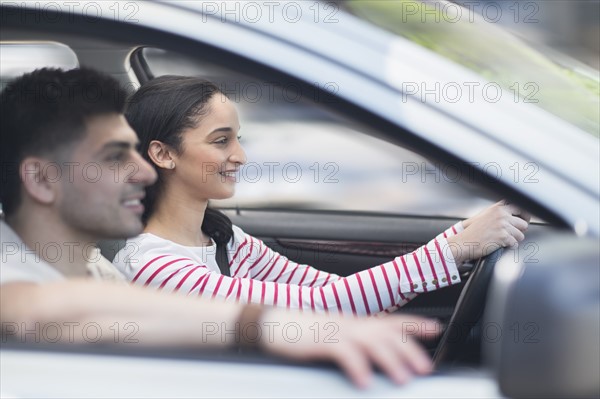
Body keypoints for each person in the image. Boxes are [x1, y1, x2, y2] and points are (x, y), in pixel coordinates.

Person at [0, 67, 456, 388]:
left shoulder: (98, 267)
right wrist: (269, 325)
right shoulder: (18, 270)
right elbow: (43, 307)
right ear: (42, 178)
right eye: (116, 156)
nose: (141, 172)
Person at [114, 75, 530, 316]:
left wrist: (462, 235)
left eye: (238, 139)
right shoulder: (154, 267)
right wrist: (457, 247)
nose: (239, 156)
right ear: (163, 154)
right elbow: (324, 308)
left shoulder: (224, 240)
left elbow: (339, 288)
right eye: (221, 141)